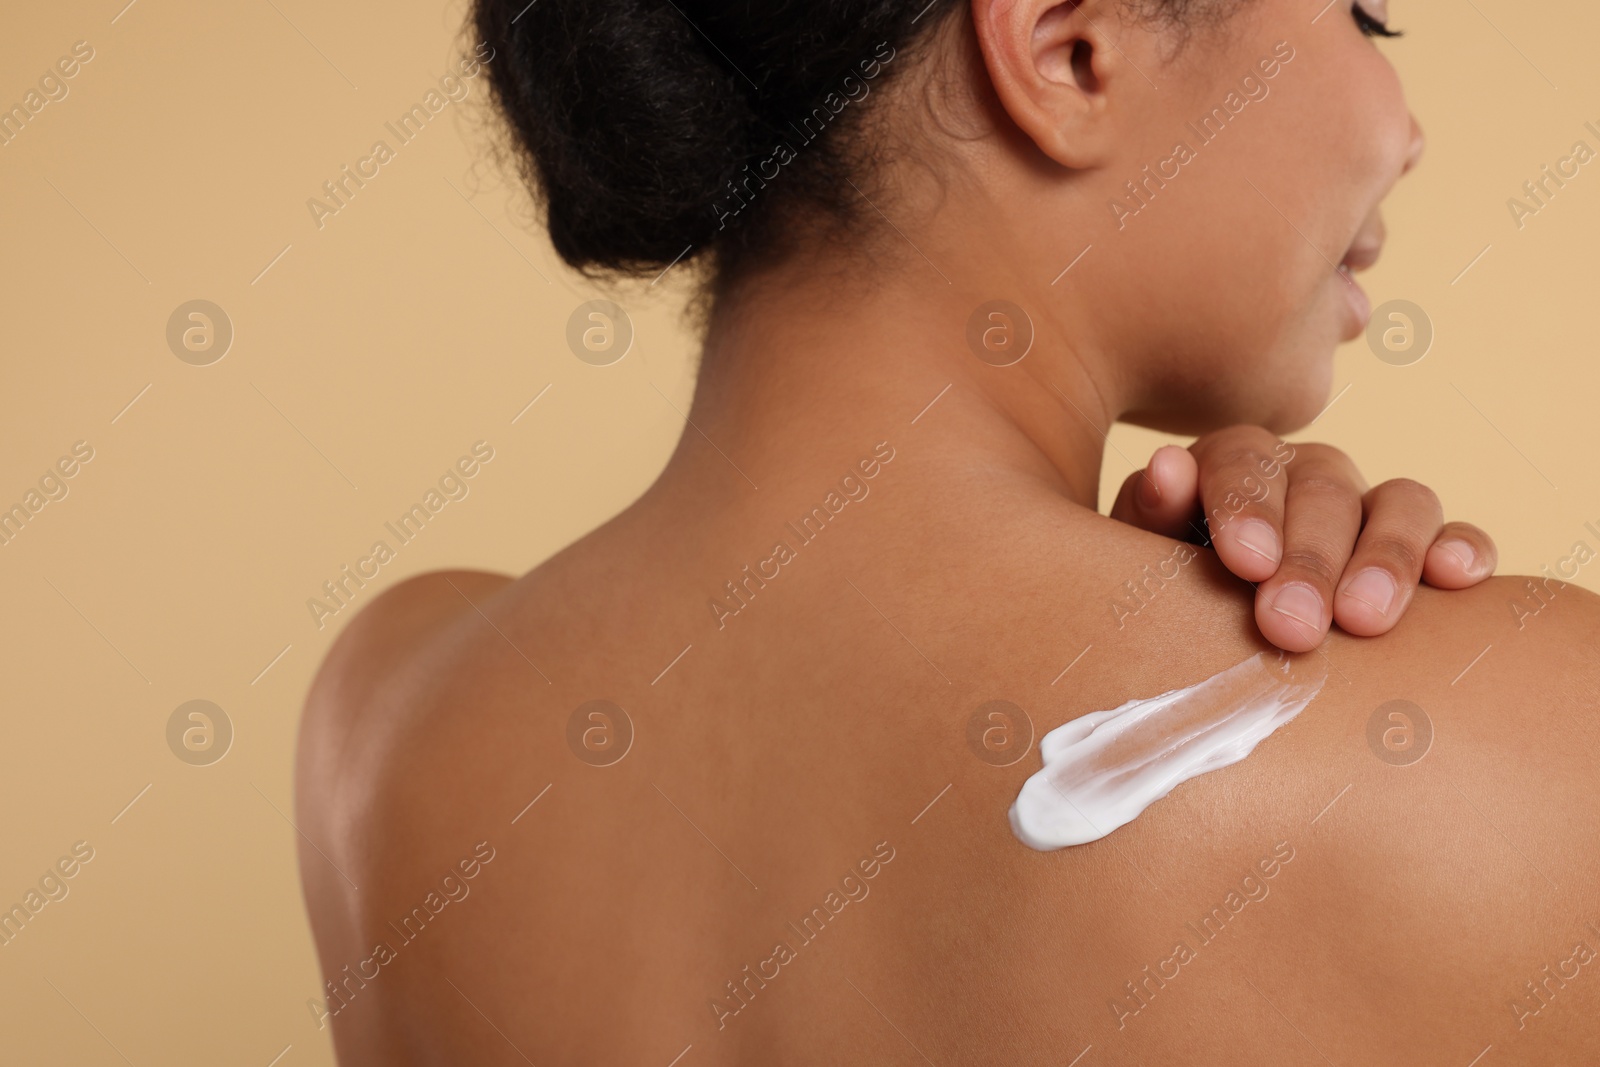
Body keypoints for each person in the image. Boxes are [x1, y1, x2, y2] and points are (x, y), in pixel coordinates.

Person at [295, 0, 1600, 1062]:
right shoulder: (1538, 739)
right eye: (1365, 13)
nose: (1408, 129)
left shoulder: (392, 718)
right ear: (1065, 48)